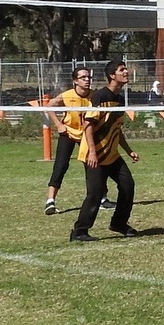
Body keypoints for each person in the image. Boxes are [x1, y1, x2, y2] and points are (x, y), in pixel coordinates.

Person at [70, 60, 139, 242]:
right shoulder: (100, 96)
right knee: (95, 193)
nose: (126, 72)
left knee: (128, 185)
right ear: (112, 75)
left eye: (126, 69)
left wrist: (129, 150)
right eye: (122, 70)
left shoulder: (120, 99)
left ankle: (118, 223)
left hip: (112, 154)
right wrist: (92, 153)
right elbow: (88, 126)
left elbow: (116, 128)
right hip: (95, 154)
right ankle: (79, 231)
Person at [44, 67, 115, 215]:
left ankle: (101, 198)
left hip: (86, 134)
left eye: (89, 77)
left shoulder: (95, 96)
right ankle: (50, 201)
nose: (87, 80)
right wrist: (59, 125)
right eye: (83, 77)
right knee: (61, 165)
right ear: (75, 81)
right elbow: (49, 106)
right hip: (69, 133)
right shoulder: (68, 95)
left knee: (95, 165)